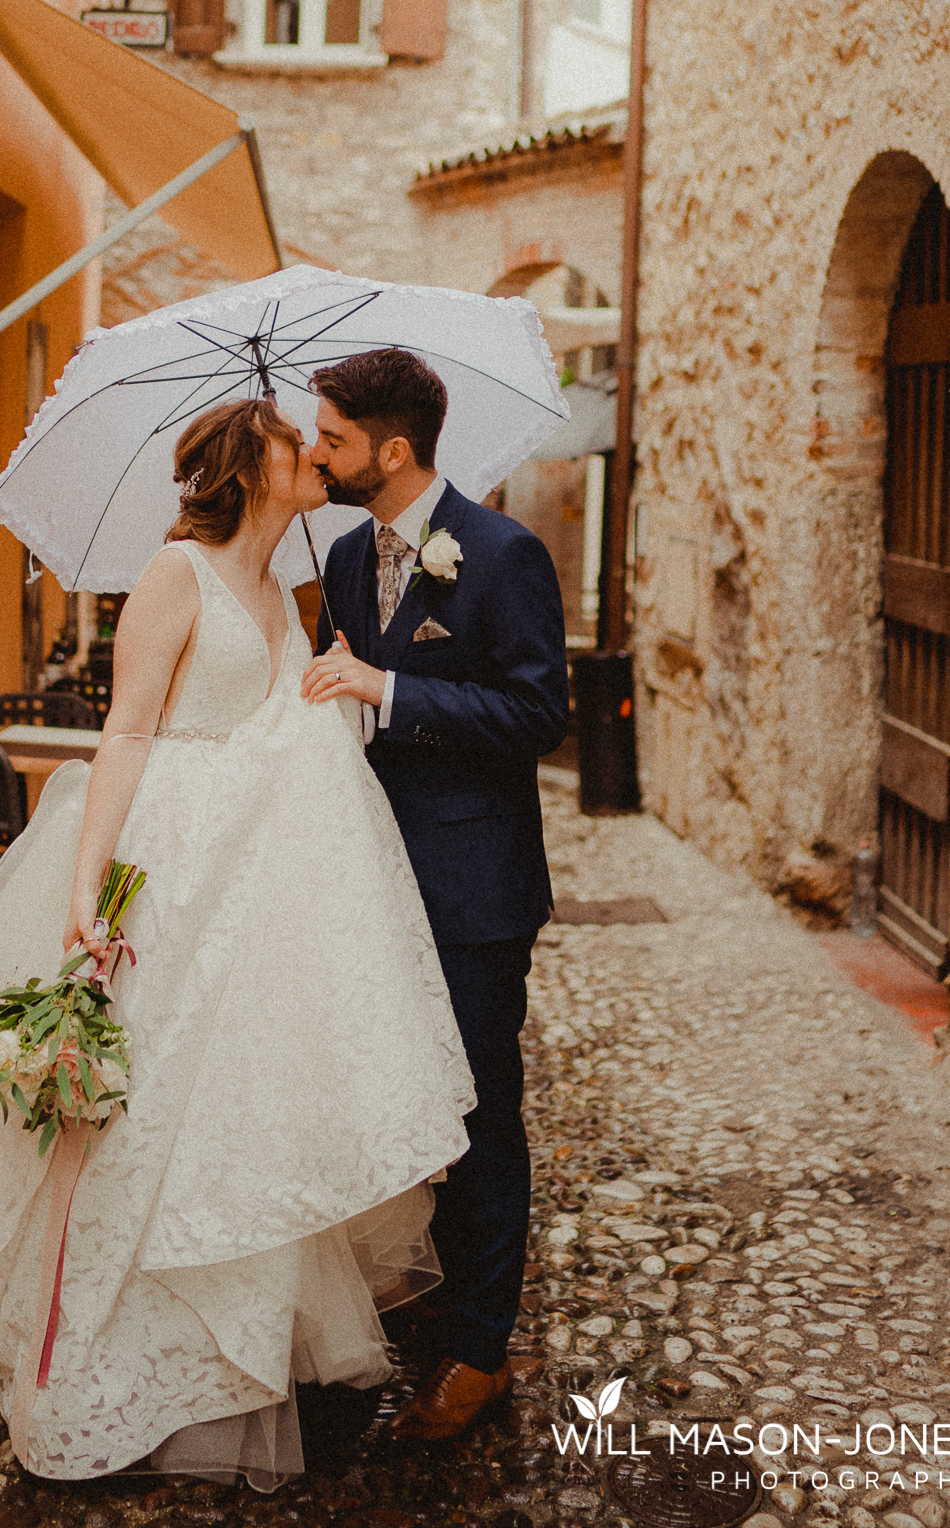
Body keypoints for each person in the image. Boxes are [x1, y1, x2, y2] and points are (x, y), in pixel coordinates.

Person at [0, 399, 474, 1490]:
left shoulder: (289, 584)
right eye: (298, 440)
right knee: (121, 1113)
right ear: (252, 464)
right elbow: (129, 731)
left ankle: (217, 1346)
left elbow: (277, 724)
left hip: (254, 888)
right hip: (168, 865)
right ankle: (73, 1356)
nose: (316, 452)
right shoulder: (176, 575)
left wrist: (328, 686)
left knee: (230, 1116)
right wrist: (89, 887)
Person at [302, 349, 569, 1443]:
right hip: (368, 883)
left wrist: (393, 686)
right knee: (395, 1101)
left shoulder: (504, 554)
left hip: (470, 888)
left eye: (330, 438)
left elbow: (537, 716)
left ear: (393, 448)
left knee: (476, 1114)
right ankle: (424, 1293)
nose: (316, 452)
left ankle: (479, 1350)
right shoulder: (340, 554)